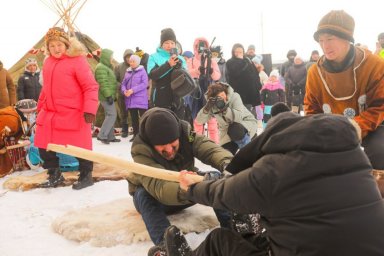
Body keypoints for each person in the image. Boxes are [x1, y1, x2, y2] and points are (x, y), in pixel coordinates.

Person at [164, 111, 384, 256]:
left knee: (220, 240)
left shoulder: (276, 169)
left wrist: (192, 188)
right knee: (261, 238)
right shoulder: (356, 158)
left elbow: (225, 193)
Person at [128, 107, 233, 255]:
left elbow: (209, 149)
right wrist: (185, 189)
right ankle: (167, 246)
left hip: (187, 189)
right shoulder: (140, 150)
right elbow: (159, 187)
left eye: (173, 145)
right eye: (163, 148)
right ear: (151, 144)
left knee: (216, 178)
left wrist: (229, 164)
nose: (170, 151)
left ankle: (234, 228)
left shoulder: (186, 134)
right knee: (142, 195)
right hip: (159, 197)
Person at [305, 10, 384, 170]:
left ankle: (376, 190)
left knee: (379, 151)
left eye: (330, 39)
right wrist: (318, 132)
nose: (324, 46)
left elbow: (380, 105)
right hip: (330, 128)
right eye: (321, 40)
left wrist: (354, 129)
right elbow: (311, 109)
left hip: (372, 126)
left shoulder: (374, 65)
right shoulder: (315, 72)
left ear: (347, 39)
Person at [34, 27, 98, 189]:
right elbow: (46, 88)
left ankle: (86, 175)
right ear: (48, 48)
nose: (56, 49)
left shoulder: (77, 61)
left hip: (73, 112)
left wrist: (90, 109)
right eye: (52, 46)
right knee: (43, 144)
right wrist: (40, 106)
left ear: (66, 44)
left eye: (59, 45)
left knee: (80, 147)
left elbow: (90, 86)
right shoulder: (47, 62)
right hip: (50, 113)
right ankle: (54, 174)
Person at [196, 82, 257, 155]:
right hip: (227, 132)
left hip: (245, 124)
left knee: (235, 129)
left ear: (226, 92)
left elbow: (238, 118)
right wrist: (206, 108)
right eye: (219, 96)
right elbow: (199, 121)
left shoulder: (235, 97)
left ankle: (248, 154)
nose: (222, 98)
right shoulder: (213, 105)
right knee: (224, 155)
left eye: (223, 94)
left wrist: (225, 109)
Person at [185, 37, 221, 144]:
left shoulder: (212, 60)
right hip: (196, 93)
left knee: (212, 121)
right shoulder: (190, 60)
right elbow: (187, 74)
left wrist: (212, 72)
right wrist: (197, 71)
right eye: (198, 45)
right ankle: (199, 145)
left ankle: (215, 145)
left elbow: (217, 76)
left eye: (203, 45)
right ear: (195, 47)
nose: (201, 47)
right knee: (197, 120)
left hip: (210, 91)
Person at [147, 28, 188, 121]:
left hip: (178, 98)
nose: (170, 45)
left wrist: (179, 66)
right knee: (161, 127)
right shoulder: (153, 57)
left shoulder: (180, 58)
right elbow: (152, 75)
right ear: (161, 44)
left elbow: (186, 77)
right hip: (160, 98)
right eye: (166, 43)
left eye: (172, 43)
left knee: (178, 127)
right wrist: (168, 65)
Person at [226, 43, 262, 121]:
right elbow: (235, 73)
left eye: (240, 51)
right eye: (236, 51)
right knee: (241, 116)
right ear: (233, 52)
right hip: (239, 94)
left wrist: (258, 85)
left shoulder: (248, 60)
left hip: (250, 93)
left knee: (251, 115)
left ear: (243, 52)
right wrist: (241, 61)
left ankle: (251, 132)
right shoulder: (230, 62)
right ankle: (243, 131)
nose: (239, 53)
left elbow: (255, 73)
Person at [95, 48, 121, 145]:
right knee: (112, 114)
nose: (112, 58)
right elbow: (103, 83)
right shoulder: (101, 67)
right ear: (106, 57)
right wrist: (108, 95)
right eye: (111, 57)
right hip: (105, 96)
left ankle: (110, 136)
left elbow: (111, 82)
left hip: (108, 95)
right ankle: (102, 135)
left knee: (109, 115)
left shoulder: (106, 67)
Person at [120, 54, 148, 142]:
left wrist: (132, 90)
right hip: (130, 99)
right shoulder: (127, 72)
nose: (131, 63)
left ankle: (144, 136)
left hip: (140, 99)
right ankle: (135, 135)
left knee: (143, 119)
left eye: (133, 61)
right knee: (134, 119)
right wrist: (124, 91)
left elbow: (144, 84)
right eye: (130, 61)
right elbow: (123, 84)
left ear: (138, 62)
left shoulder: (142, 71)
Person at [114, 48, 134, 138]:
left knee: (134, 112)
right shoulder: (118, 67)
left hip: (133, 94)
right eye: (127, 57)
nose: (128, 58)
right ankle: (124, 131)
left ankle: (135, 130)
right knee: (123, 113)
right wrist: (121, 87)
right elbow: (114, 80)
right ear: (124, 57)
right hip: (122, 94)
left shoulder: (136, 66)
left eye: (130, 56)